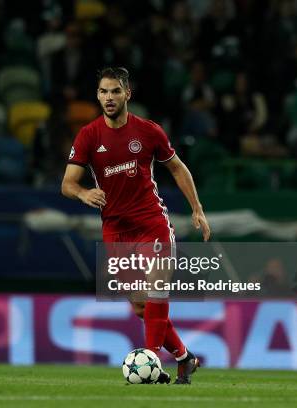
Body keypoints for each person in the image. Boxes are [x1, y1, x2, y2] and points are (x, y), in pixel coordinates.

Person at [61, 67, 211, 384]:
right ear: (98, 96)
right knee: (142, 307)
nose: (109, 97)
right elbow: (67, 184)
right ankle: (185, 359)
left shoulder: (148, 131)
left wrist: (196, 209)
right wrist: (84, 192)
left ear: (127, 94)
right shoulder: (89, 135)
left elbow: (177, 168)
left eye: (115, 91)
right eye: (103, 91)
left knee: (157, 289)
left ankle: (151, 360)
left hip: (150, 221)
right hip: (116, 228)